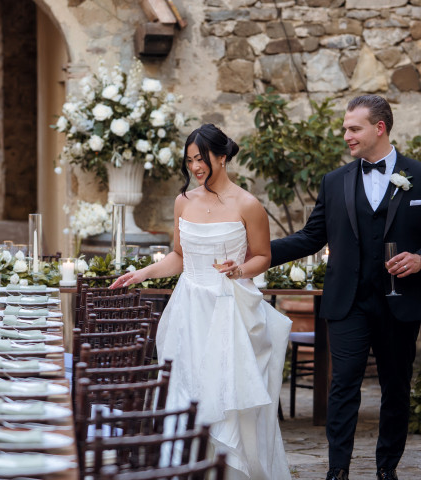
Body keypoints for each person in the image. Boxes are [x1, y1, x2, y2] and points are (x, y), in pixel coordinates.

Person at [111, 123, 292, 480]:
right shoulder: (183, 201)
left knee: (224, 391)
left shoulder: (248, 204)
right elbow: (179, 256)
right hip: (189, 311)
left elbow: (263, 256)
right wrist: (143, 273)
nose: (195, 167)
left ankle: (227, 469)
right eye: (190, 160)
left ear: (222, 157)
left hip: (229, 309)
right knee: (185, 388)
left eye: (202, 158)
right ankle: (185, 469)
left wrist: (239, 270)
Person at [270, 95, 421, 480]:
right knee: (344, 385)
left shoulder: (419, 175)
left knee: (396, 388)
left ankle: (387, 468)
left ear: (379, 128)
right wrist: (256, 251)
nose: (346, 136)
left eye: (354, 128)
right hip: (348, 302)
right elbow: (310, 237)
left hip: (399, 300)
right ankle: (337, 470)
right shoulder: (334, 181)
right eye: (344, 129)